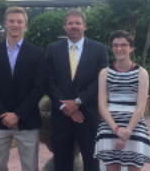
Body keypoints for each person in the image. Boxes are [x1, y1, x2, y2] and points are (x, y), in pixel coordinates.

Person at [0, 6, 45, 171]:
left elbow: (39, 88)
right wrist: (5, 114)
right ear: (5, 24)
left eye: (19, 21)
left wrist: (18, 114)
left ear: (25, 25)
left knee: (30, 167)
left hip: (27, 120)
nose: (15, 24)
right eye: (12, 21)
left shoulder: (37, 53)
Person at [45, 9, 109, 171]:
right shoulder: (53, 49)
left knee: (91, 163)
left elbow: (100, 81)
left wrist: (78, 102)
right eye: (70, 23)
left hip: (88, 116)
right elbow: (48, 81)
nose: (74, 26)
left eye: (77, 23)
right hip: (61, 117)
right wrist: (66, 107)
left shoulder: (99, 49)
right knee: (62, 163)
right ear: (65, 27)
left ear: (84, 26)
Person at [94, 30, 150, 171]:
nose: (119, 48)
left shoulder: (141, 73)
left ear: (131, 48)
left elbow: (140, 107)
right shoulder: (104, 73)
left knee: (135, 168)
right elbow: (102, 105)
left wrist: (126, 132)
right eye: (115, 45)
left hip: (134, 127)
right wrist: (116, 129)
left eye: (123, 45)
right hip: (109, 127)